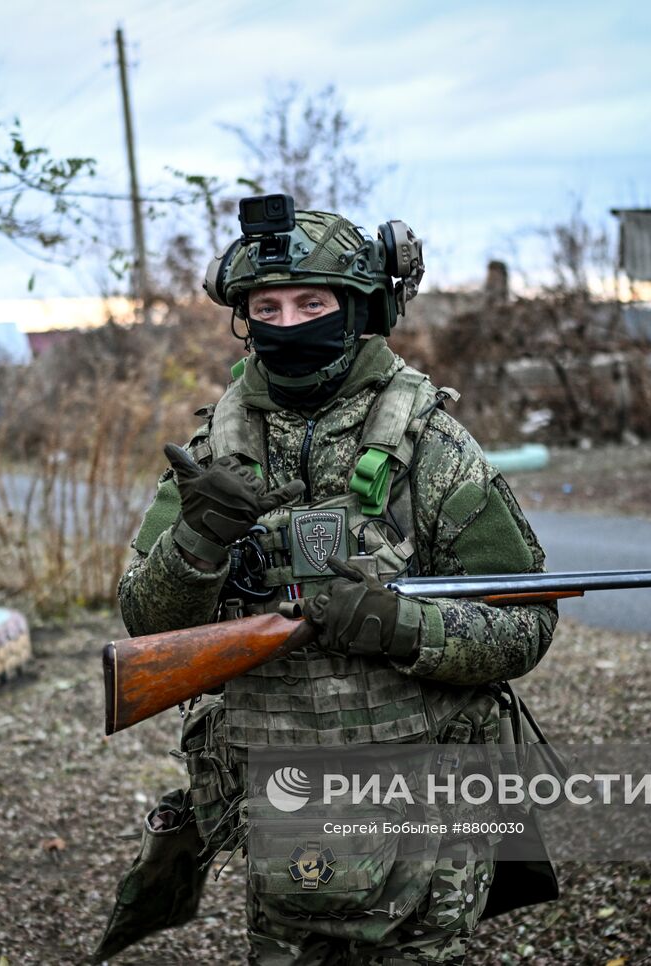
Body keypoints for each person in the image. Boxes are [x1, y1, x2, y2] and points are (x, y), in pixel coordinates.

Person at [95, 195, 559, 965]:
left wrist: (403, 626)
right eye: (266, 306)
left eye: (311, 302)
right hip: (280, 800)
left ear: (357, 309)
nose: (288, 323)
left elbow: (526, 622)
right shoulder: (215, 450)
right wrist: (198, 539)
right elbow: (149, 628)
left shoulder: (432, 444)